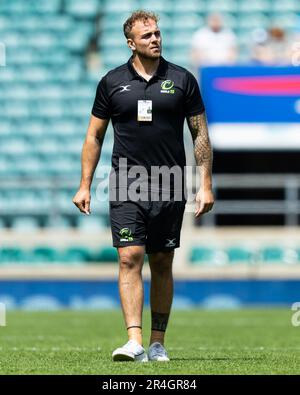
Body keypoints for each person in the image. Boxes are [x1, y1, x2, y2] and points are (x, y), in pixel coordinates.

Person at [73, 10, 214, 362]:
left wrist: (205, 184)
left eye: (157, 33)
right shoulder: (111, 82)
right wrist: (85, 184)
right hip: (125, 182)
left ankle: (157, 343)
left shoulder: (183, 80)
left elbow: (200, 133)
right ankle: (134, 341)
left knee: (162, 260)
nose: (155, 38)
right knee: (129, 257)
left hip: (170, 183)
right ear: (130, 42)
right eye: (147, 35)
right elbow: (94, 135)